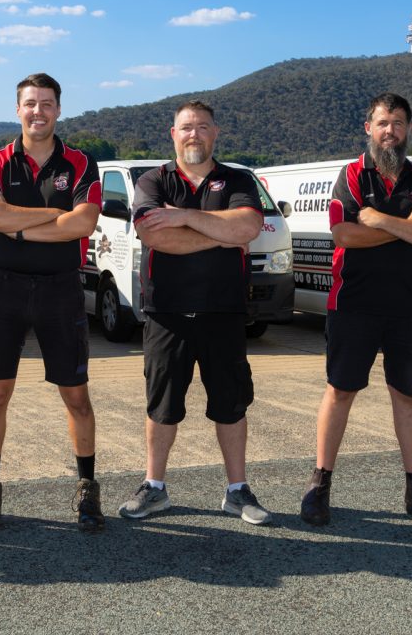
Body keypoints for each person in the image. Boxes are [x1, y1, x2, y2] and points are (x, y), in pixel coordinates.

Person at [301, 92, 412, 529]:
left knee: (408, 395)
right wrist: (410, 228)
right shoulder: (349, 176)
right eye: (384, 123)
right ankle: (319, 483)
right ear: (368, 128)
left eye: (400, 123)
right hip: (355, 303)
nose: (391, 131)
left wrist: (381, 220)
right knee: (341, 390)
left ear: (408, 130)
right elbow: (344, 235)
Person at [117, 100, 272, 525]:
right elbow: (154, 234)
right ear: (173, 134)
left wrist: (183, 217)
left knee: (231, 404)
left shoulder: (237, 178)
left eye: (203, 127)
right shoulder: (154, 180)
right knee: (162, 405)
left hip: (224, 312)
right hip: (166, 312)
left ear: (215, 133)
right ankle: (154, 488)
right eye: (187, 127)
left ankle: (238, 492)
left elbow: (248, 227)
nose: (194, 134)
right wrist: (221, 234)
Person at [0, 73, 104, 532]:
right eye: (30, 103)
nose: (38, 111)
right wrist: (52, 217)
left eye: (47, 104)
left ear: (59, 110)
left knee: (76, 396)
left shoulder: (82, 163)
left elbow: (83, 223)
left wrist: (18, 226)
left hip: (61, 287)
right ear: (18, 109)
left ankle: (87, 488)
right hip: (4, 287)